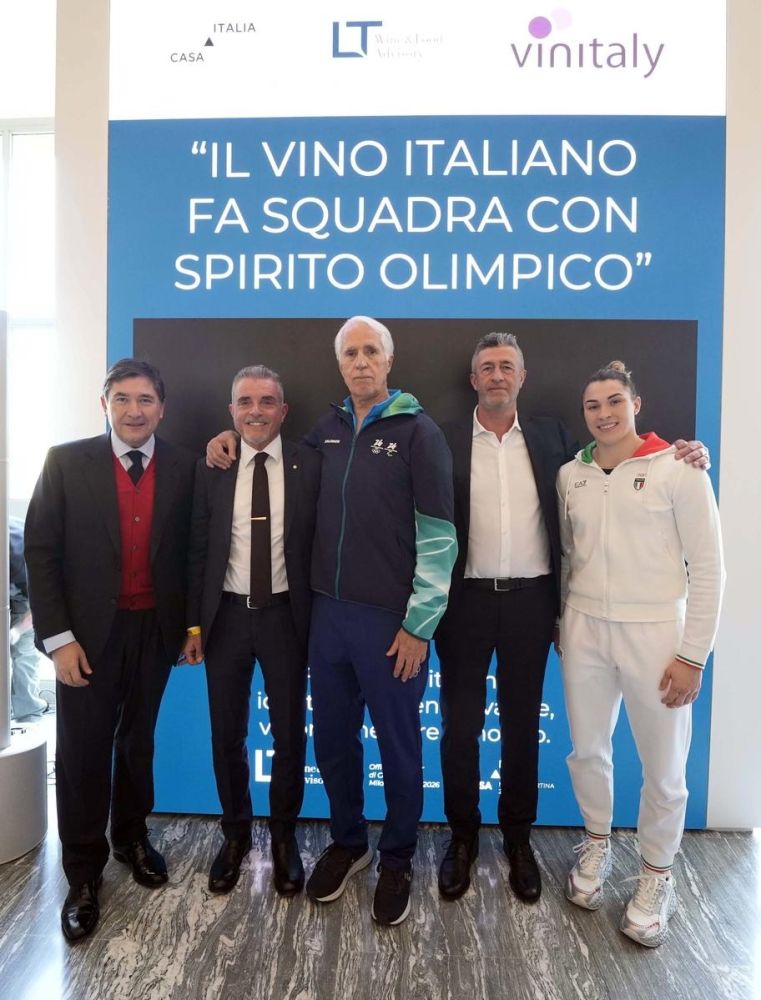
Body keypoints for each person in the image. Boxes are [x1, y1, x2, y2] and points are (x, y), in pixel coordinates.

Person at [435, 332, 711, 906]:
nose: (496, 375)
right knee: (460, 727)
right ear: (473, 379)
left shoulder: (553, 439)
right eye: (487, 367)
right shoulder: (443, 438)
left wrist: (689, 451)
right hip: (464, 602)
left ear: (522, 377)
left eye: (507, 366)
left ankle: (518, 840)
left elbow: (624, 460)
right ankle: (461, 838)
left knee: (521, 726)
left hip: (532, 604)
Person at [206, 317, 457, 925]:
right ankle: (349, 841)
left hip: (392, 623)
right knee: (333, 743)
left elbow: (440, 537)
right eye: (350, 353)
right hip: (326, 617)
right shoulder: (326, 432)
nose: (361, 362)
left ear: (389, 360)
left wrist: (420, 625)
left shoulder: (419, 432)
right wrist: (228, 437)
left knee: (398, 746)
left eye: (371, 351)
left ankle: (397, 856)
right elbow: (266, 448)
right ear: (339, 363)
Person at [24, 359, 196, 943]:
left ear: (162, 408)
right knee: (82, 752)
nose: (133, 410)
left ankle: (131, 837)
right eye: (122, 399)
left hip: (155, 629)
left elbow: (193, 553)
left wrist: (190, 627)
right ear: (105, 405)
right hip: (85, 637)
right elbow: (40, 554)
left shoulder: (185, 467)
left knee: (138, 740)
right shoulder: (64, 462)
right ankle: (82, 872)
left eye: (145, 399)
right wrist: (59, 640)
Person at [556, 360, 724, 947]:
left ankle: (656, 875)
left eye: (614, 402)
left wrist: (693, 655)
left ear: (636, 405)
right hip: (584, 629)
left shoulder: (678, 467)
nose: (603, 414)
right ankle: (596, 844)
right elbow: (569, 556)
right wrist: (563, 620)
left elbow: (709, 568)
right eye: (593, 405)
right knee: (587, 750)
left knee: (665, 767)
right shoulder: (571, 474)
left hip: (656, 633)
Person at [183, 366, 319, 898]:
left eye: (266, 401)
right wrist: (193, 624)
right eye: (245, 402)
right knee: (227, 735)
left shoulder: (309, 463)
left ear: (283, 410)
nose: (255, 411)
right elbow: (197, 551)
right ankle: (235, 834)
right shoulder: (212, 468)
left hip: (287, 617)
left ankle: (283, 837)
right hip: (225, 619)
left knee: (289, 734)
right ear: (232, 411)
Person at [9, 516, 48, 720]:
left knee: (24, 651)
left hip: (25, 593)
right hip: (12, 582)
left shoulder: (22, 555)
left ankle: (29, 712)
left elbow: (40, 606)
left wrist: (16, 631)